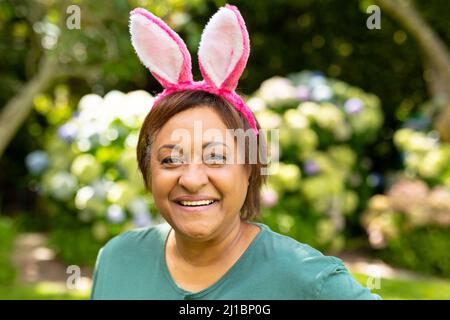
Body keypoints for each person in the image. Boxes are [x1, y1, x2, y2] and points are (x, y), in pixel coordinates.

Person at [91, 4, 381, 300]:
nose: (191, 179)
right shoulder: (117, 260)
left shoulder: (307, 280)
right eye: (170, 159)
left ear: (250, 168)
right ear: (148, 170)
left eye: (216, 157)